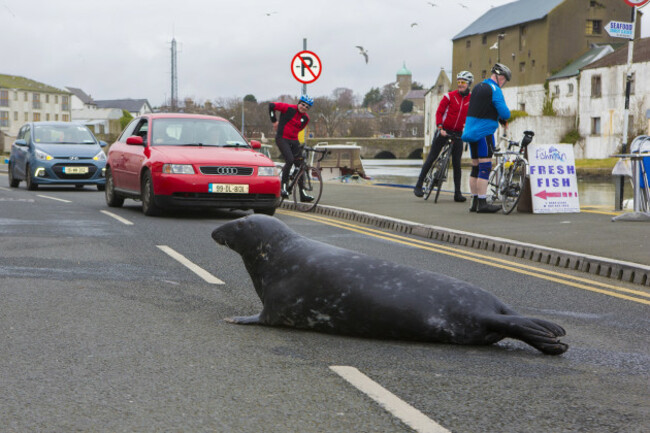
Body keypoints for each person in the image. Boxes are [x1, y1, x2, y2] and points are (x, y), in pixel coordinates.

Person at [414, 70, 474, 202]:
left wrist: (468, 131)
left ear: (469, 84)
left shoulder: (471, 100)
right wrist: (440, 127)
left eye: (463, 82)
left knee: (457, 163)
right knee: (432, 157)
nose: (460, 84)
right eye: (458, 82)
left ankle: (457, 193)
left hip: (458, 133)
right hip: (444, 130)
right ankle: (418, 185)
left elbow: (472, 118)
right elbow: (439, 112)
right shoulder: (449, 97)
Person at [461, 63, 512, 213]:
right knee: (485, 167)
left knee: (475, 166)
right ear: (500, 77)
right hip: (484, 133)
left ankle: (474, 201)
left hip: (470, 132)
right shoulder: (495, 89)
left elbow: (484, 108)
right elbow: (505, 113)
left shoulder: (478, 87)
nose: (503, 83)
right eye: (504, 80)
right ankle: (483, 203)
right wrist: (504, 118)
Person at [269, 95, 313, 201]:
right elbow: (271, 106)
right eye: (303, 104)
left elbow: (299, 128)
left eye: (307, 107)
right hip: (282, 138)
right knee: (289, 159)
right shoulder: (288, 108)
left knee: (300, 165)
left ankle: (302, 193)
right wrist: (274, 121)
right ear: (299, 103)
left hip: (294, 140)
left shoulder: (306, 118)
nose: (304, 107)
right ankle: (283, 187)